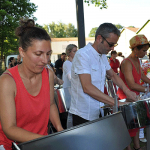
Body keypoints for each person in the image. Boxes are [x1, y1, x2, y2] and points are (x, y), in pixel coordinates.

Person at [0, 19, 63, 150]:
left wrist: (60, 130)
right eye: (38, 54)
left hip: (41, 142)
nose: (45, 60)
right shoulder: (7, 81)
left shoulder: (48, 74)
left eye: (48, 54)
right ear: (22, 52)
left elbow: (50, 104)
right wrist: (47, 140)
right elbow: (9, 128)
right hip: (13, 146)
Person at [69, 23, 137, 127]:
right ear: (99, 38)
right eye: (110, 44)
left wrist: (128, 92)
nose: (113, 48)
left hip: (98, 110)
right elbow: (87, 87)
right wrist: (116, 103)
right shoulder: (83, 55)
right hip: (83, 115)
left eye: (115, 45)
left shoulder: (102, 56)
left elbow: (113, 75)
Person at [117, 34, 150, 150]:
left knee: (136, 125)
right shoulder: (126, 62)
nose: (145, 53)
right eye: (144, 51)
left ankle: (137, 147)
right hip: (125, 96)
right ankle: (129, 148)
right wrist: (147, 89)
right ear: (135, 49)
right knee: (128, 126)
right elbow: (131, 84)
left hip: (134, 95)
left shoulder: (137, 60)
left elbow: (142, 76)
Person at [62, 44, 77, 128]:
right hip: (69, 89)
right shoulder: (67, 63)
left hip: (73, 88)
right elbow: (71, 77)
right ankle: (70, 130)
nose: (76, 53)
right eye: (74, 51)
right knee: (71, 112)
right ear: (69, 52)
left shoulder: (74, 63)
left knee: (74, 112)